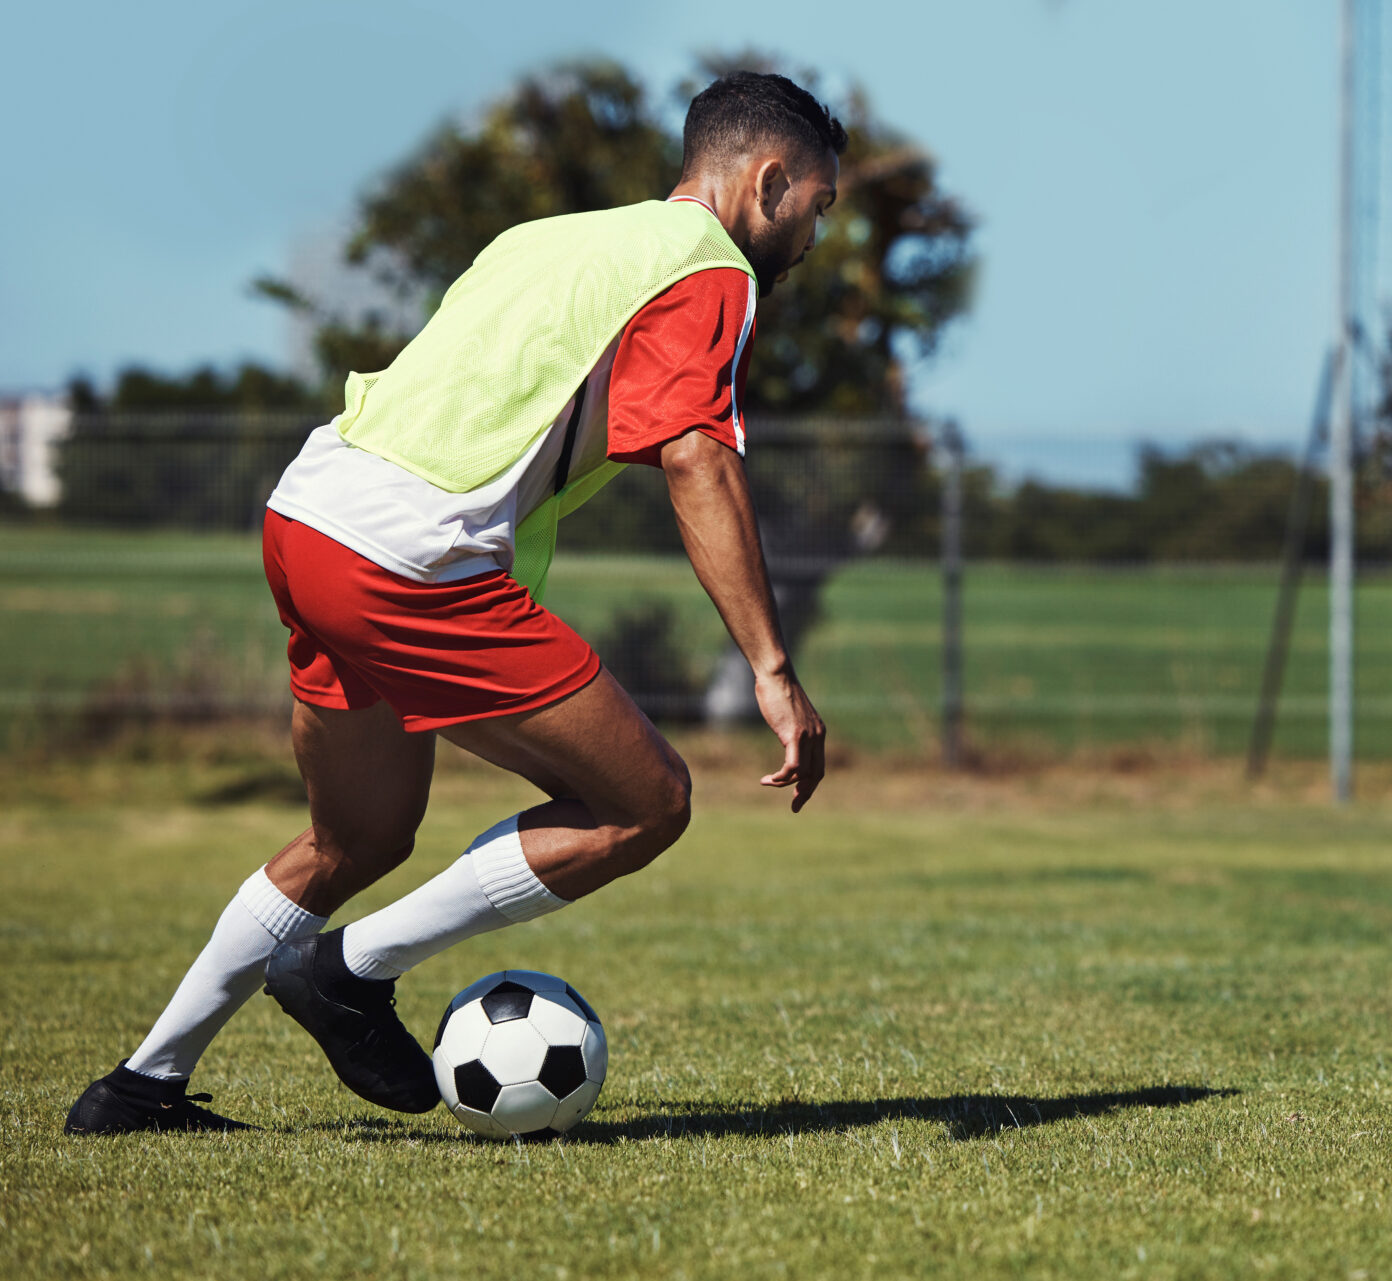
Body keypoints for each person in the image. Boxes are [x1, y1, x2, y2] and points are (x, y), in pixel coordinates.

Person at [65, 72, 840, 1134]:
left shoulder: (545, 239)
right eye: (818, 208)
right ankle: (348, 971)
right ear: (770, 180)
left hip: (308, 514)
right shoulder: (710, 268)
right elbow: (696, 453)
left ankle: (137, 1089)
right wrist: (771, 668)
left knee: (357, 835)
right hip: (404, 557)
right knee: (646, 800)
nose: (812, 237)